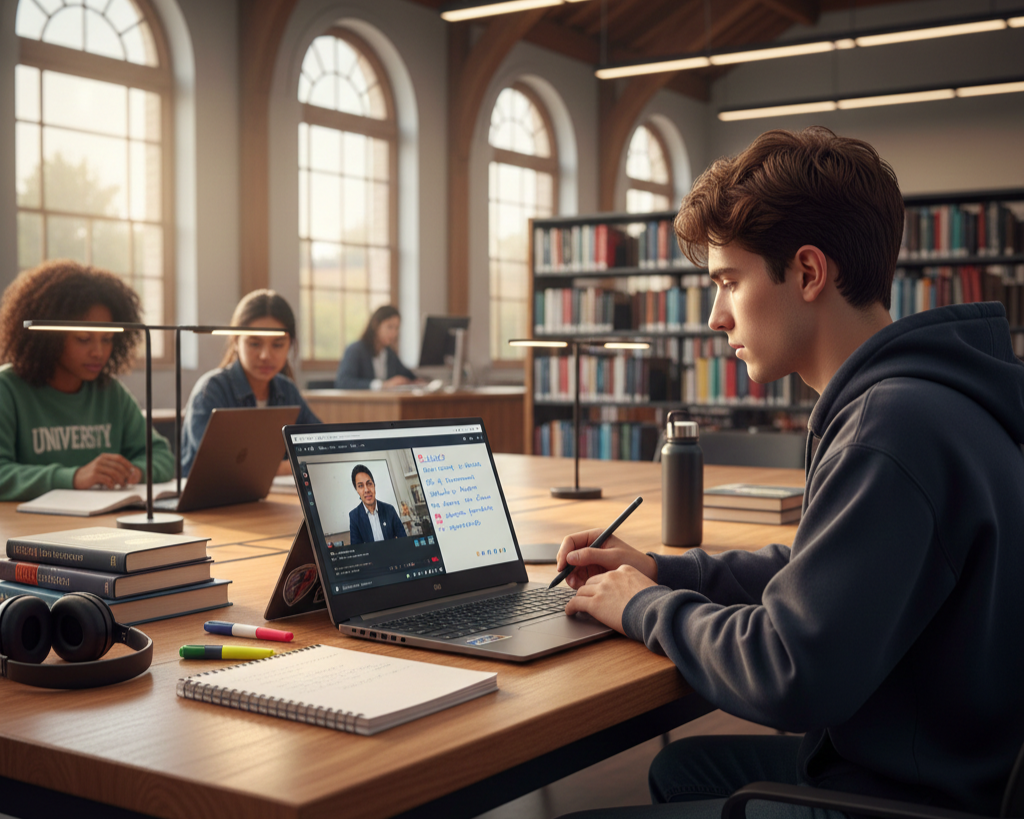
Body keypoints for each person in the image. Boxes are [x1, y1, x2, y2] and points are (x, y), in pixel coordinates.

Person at [556, 127, 1024, 817]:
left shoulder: (887, 431)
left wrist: (640, 605)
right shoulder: (931, 399)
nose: (716, 316)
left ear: (808, 272)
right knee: (685, 768)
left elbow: (788, 670)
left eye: (728, 281)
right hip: (945, 762)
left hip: (905, 796)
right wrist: (667, 571)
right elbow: (826, 573)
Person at [0, 260, 174, 502]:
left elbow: (161, 456)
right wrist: (74, 477)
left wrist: (130, 473)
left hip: (101, 526)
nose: (98, 352)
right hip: (30, 530)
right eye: (83, 339)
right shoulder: (7, 389)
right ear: (48, 339)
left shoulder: (110, 392)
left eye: (107, 339)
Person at [180, 290, 320, 476]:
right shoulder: (211, 391)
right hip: (213, 503)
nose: (265, 355)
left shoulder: (287, 390)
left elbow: (321, 448)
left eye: (277, 345)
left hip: (269, 501)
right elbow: (227, 466)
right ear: (236, 341)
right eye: (254, 344)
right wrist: (288, 467)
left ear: (290, 345)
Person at [334, 305, 422, 389]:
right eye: (390, 327)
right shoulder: (355, 350)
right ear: (376, 325)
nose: (394, 333)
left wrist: (417, 381)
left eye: (397, 328)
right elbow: (343, 382)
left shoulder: (389, 353)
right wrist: (382, 385)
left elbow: (409, 376)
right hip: (363, 404)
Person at [348, 464, 405, 545]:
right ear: (357, 490)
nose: (366, 490)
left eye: (369, 484)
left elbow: (403, 539)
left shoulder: (389, 510)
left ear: (374, 485)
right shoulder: (354, 516)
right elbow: (357, 551)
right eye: (360, 486)